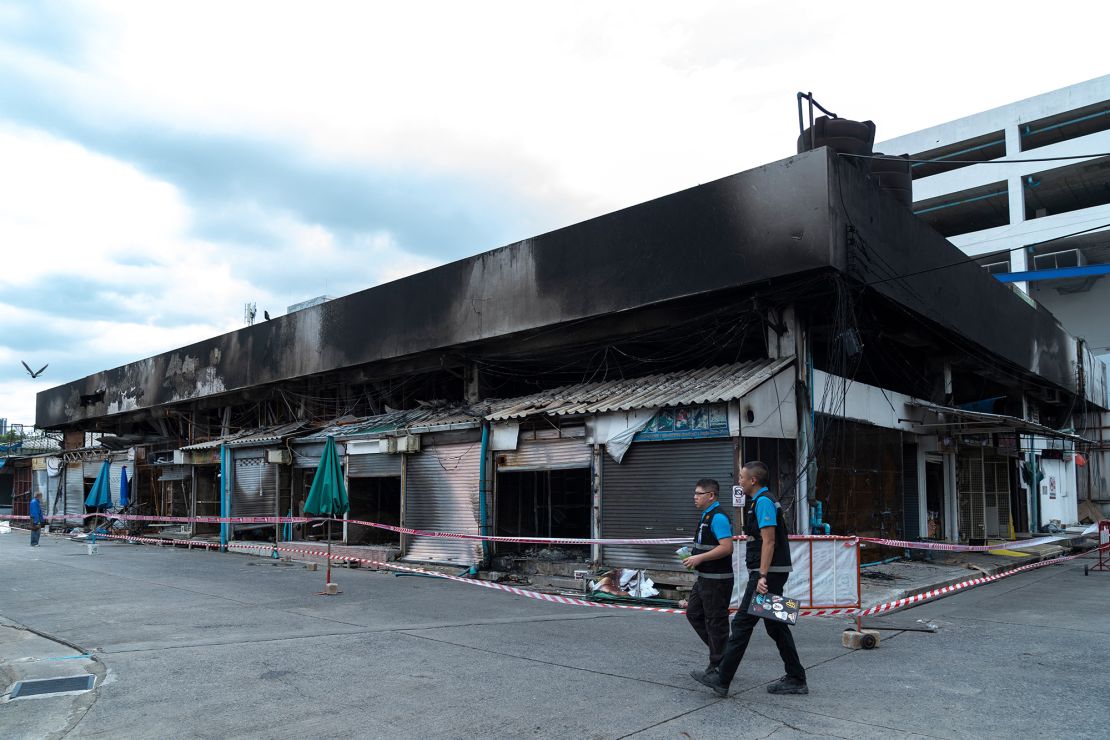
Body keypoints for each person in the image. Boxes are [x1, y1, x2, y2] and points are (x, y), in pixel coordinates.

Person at [692, 461, 807, 697]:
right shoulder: (759, 501)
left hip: (768, 574)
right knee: (777, 627)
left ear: (753, 481)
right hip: (772, 572)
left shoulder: (763, 501)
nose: (739, 481)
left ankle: (722, 679)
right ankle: (796, 677)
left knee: (742, 624)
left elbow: (770, 540)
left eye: (742, 478)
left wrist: (762, 575)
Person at [682, 478, 734, 679]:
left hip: (717, 580)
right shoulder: (706, 516)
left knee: (716, 622)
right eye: (694, 493)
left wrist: (699, 557)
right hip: (703, 578)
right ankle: (724, 654)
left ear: (711, 495)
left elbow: (726, 547)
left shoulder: (718, 517)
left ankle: (718, 666)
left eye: (698, 494)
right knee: (693, 614)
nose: (694, 497)